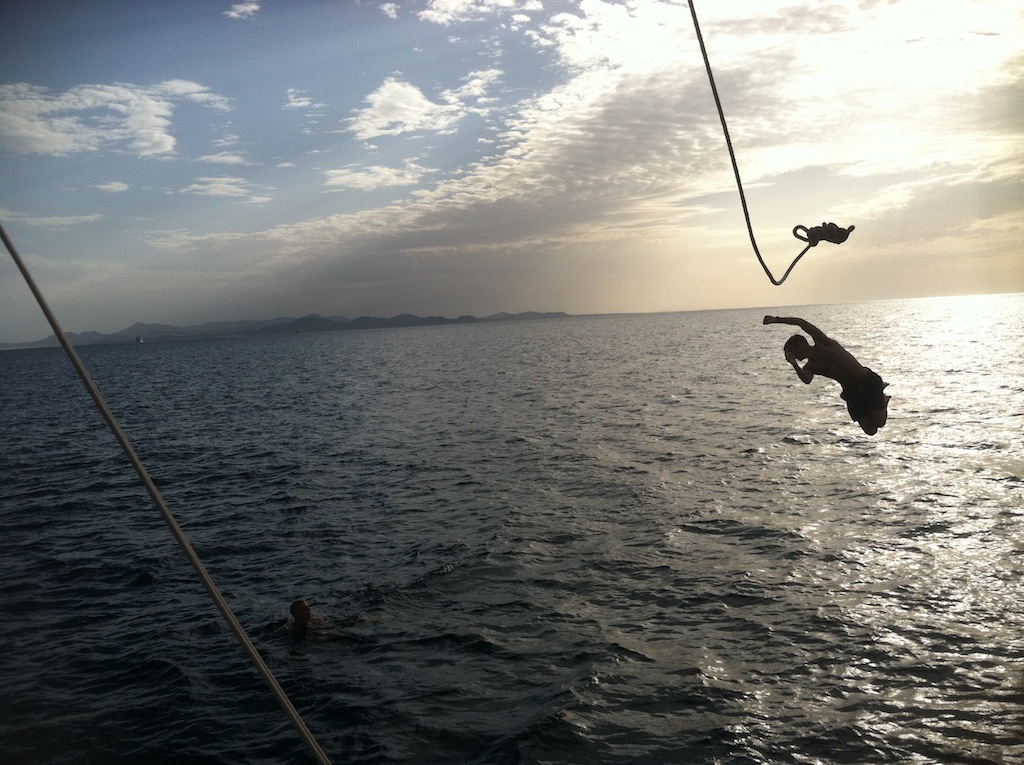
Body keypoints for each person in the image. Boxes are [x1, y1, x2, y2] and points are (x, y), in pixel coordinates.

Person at [763, 315, 889, 435]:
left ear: (799, 344)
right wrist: (794, 364)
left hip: (867, 381)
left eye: (790, 352)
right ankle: (878, 402)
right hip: (851, 392)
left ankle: (882, 398)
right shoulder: (811, 366)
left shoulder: (824, 343)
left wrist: (776, 320)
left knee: (879, 423)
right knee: (870, 431)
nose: (791, 355)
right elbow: (807, 380)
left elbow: (801, 322)